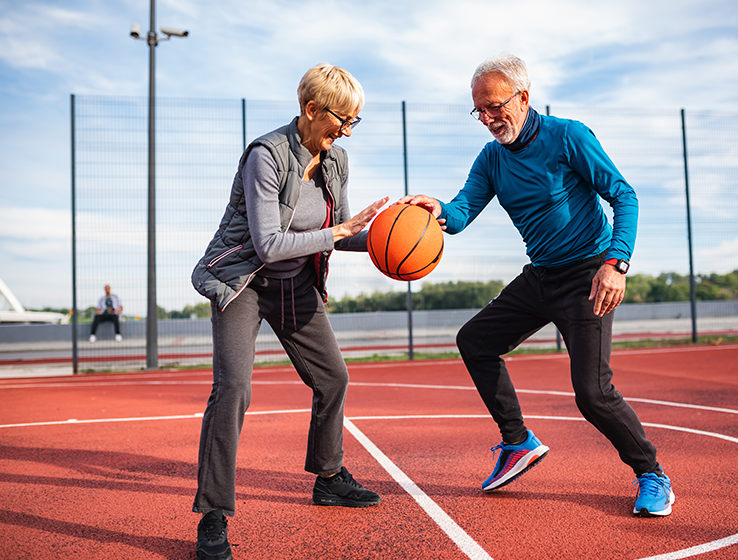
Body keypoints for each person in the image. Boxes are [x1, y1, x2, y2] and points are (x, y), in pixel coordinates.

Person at [398, 54, 674, 517]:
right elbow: (463, 211)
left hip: (589, 276)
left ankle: (652, 474)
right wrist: (437, 209)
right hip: (541, 275)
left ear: (523, 98)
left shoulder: (569, 136)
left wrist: (616, 263)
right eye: (478, 111)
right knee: (475, 341)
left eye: (494, 107)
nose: (486, 119)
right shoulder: (491, 158)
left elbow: (623, 194)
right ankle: (517, 442)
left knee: (592, 393)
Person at [190, 63, 388, 560]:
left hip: (297, 284)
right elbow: (268, 242)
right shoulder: (266, 155)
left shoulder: (336, 160)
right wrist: (341, 232)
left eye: (354, 121)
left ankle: (328, 477)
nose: (346, 131)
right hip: (244, 281)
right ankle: (214, 515)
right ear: (311, 110)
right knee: (233, 389)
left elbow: (342, 233)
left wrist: (395, 237)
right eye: (342, 119)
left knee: (334, 378)